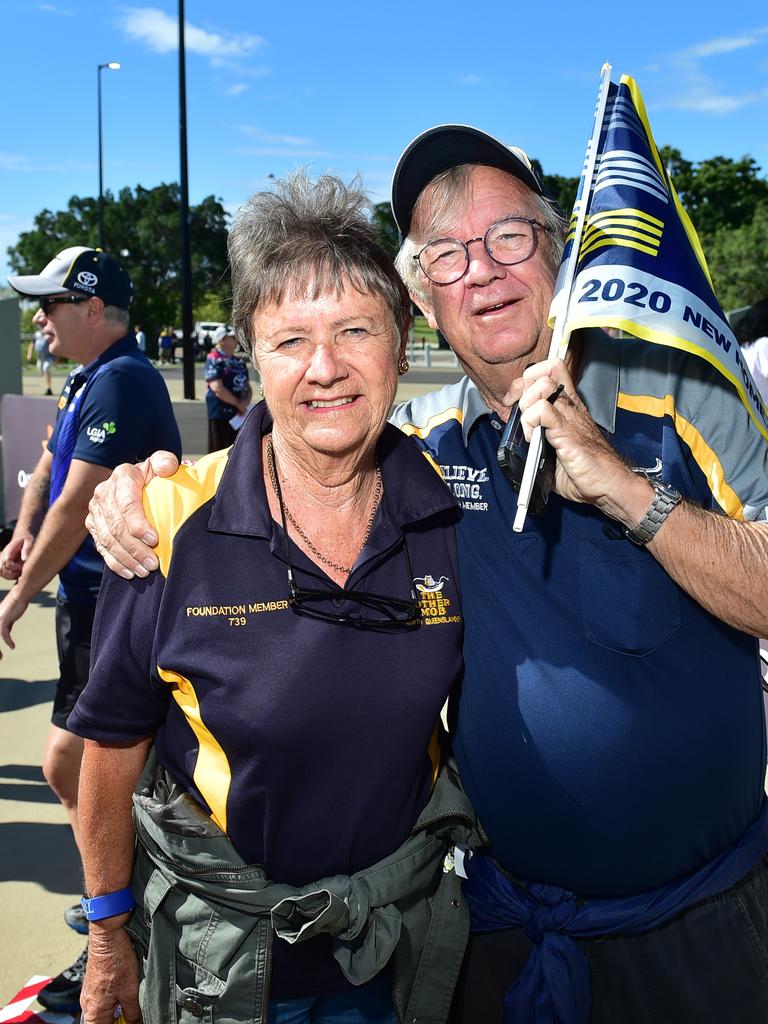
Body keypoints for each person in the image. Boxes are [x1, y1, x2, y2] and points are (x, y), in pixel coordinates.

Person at [86, 127, 768, 1023]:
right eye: (446, 254)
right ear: (424, 300)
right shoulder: (424, 451)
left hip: (700, 924)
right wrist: (136, 487)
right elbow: (311, 427)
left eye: (509, 239)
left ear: (559, 255)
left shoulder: (684, 394)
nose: (481, 271)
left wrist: (625, 491)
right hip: (497, 927)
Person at [67, 173, 478, 1024]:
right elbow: (105, 746)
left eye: (355, 331)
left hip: (390, 956)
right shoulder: (167, 519)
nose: (324, 368)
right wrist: (107, 936)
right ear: (252, 358)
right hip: (218, 968)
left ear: (401, 343)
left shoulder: (449, 507)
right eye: (291, 339)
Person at [0, 245, 182, 1014]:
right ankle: (116, 904)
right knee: (68, 767)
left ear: (95, 309)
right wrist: (21, 532)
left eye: (51, 303)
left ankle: (121, 920)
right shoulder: (89, 379)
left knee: (72, 766)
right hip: (87, 607)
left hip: (116, 608)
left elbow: (80, 507)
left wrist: (12, 601)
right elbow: (50, 468)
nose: (39, 317)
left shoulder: (126, 381)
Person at [204, 324, 253, 451]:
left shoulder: (239, 361)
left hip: (240, 413)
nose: (236, 340)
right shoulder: (214, 359)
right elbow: (217, 388)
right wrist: (238, 403)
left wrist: (244, 403)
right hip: (221, 413)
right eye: (232, 337)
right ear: (222, 340)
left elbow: (247, 386)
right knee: (220, 449)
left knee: (239, 449)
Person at [27, 327, 56, 394]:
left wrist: (57, 357)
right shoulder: (37, 334)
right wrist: (29, 354)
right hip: (40, 358)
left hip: (49, 357)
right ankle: (47, 386)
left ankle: (48, 388)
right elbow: (32, 344)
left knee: (46, 368)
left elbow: (56, 345)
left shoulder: (50, 334)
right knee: (42, 371)